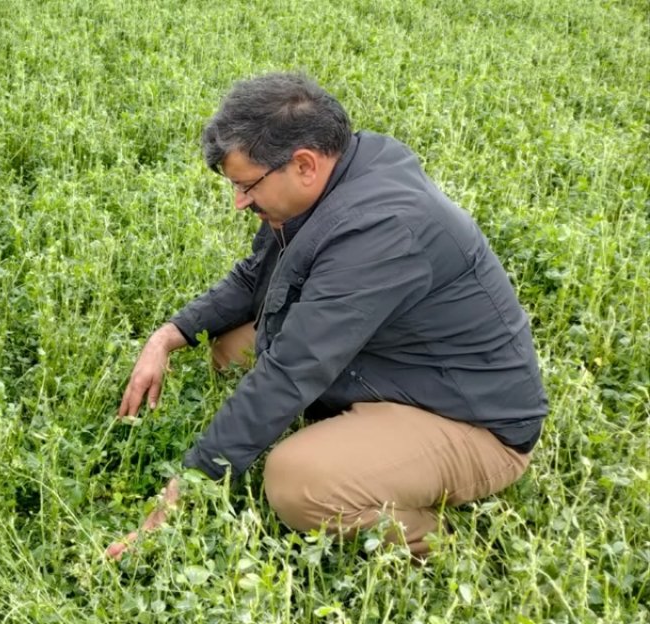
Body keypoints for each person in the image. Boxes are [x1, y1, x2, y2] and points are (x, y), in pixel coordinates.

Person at [108, 73, 547, 559]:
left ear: (304, 164)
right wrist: (169, 336)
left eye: (246, 186)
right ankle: (357, 442)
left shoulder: (381, 230)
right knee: (231, 348)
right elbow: (258, 278)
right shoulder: (338, 179)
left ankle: (444, 548)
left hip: (467, 418)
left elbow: (290, 372)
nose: (239, 203)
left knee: (298, 482)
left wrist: (174, 503)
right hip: (395, 365)